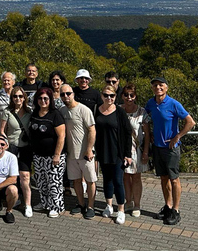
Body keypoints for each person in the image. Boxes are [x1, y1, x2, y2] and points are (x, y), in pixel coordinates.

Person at [143, 77, 196, 226]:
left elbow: (190, 122)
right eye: (155, 85)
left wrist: (177, 136)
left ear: (166, 88)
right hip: (158, 147)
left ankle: (176, 211)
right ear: (152, 88)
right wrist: (150, 134)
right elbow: (145, 119)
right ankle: (168, 206)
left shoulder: (173, 104)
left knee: (174, 179)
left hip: (171, 148)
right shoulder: (150, 103)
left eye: (161, 85)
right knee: (163, 178)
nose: (158, 88)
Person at [94, 84, 133, 225]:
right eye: (106, 95)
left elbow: (128, 133)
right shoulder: (96, 110)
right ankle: (109, 206)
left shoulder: (120, 112)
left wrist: (127, 154)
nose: (109, 98)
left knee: (118, 181)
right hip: (103, 151)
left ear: (115, 96)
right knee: (107, 180)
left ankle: (121, 210)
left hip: (118, 152)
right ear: (101, 95)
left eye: (112, 95)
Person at [0, 85, 33, 217]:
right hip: (11, 147)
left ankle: (28, 204)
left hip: (26, 147)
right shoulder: (7, 111)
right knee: (9, 175)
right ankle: (8, 199)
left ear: (24, 98)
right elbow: (1, 130)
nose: (18, 99)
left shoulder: (30, 111)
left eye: (20, 96)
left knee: (25, 176)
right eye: (15, 96)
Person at [59, 84, 97, 219]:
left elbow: (92, 130)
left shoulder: (84, 110)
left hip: (85, 153)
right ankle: (81, 204)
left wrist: (89, 149)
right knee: (75, 181)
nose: (66, 96)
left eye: (68, 93)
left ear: (73, 93)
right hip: (70, 154)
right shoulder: (62, 111)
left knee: (90, 181)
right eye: (62, 94)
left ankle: (91, 206)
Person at [28, 87, 66, 218]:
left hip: (53, 156)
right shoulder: (35, 113)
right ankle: (45, 203)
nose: (43, 101)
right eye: (40, 98)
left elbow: (61, 136)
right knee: (41, 180)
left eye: (46, 98)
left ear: (50, 100)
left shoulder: (55, 114)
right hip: (39, 155)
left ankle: (56, 206)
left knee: (54, 182)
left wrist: (57, 155)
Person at [121, 83, 147, 218]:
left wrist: (146, 152)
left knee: (136, 177)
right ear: (122, 96)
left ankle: (137, 205)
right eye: (126, 95)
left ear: (135, 96)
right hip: (123, 150)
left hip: (137, 150)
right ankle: (128, 202)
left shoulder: (142, 112)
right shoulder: (118, 110)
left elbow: (147, 134)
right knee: (125, 177)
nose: (129, 98)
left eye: (131, 95)